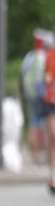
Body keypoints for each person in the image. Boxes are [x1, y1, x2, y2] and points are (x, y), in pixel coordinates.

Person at [20, 32, 47, 163]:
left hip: (30, 94)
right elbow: (42, 78)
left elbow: (23, 73)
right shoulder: (43, 56)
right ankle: (39, 154)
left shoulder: (29, 56)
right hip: (41, 95)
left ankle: (34, 153)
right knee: (41, 123)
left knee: (33, 122)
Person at [43, 41, 55, 195]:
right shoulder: (50, 55)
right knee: (53, 136)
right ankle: (53, 175)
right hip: (52, 100)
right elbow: (46, 77)